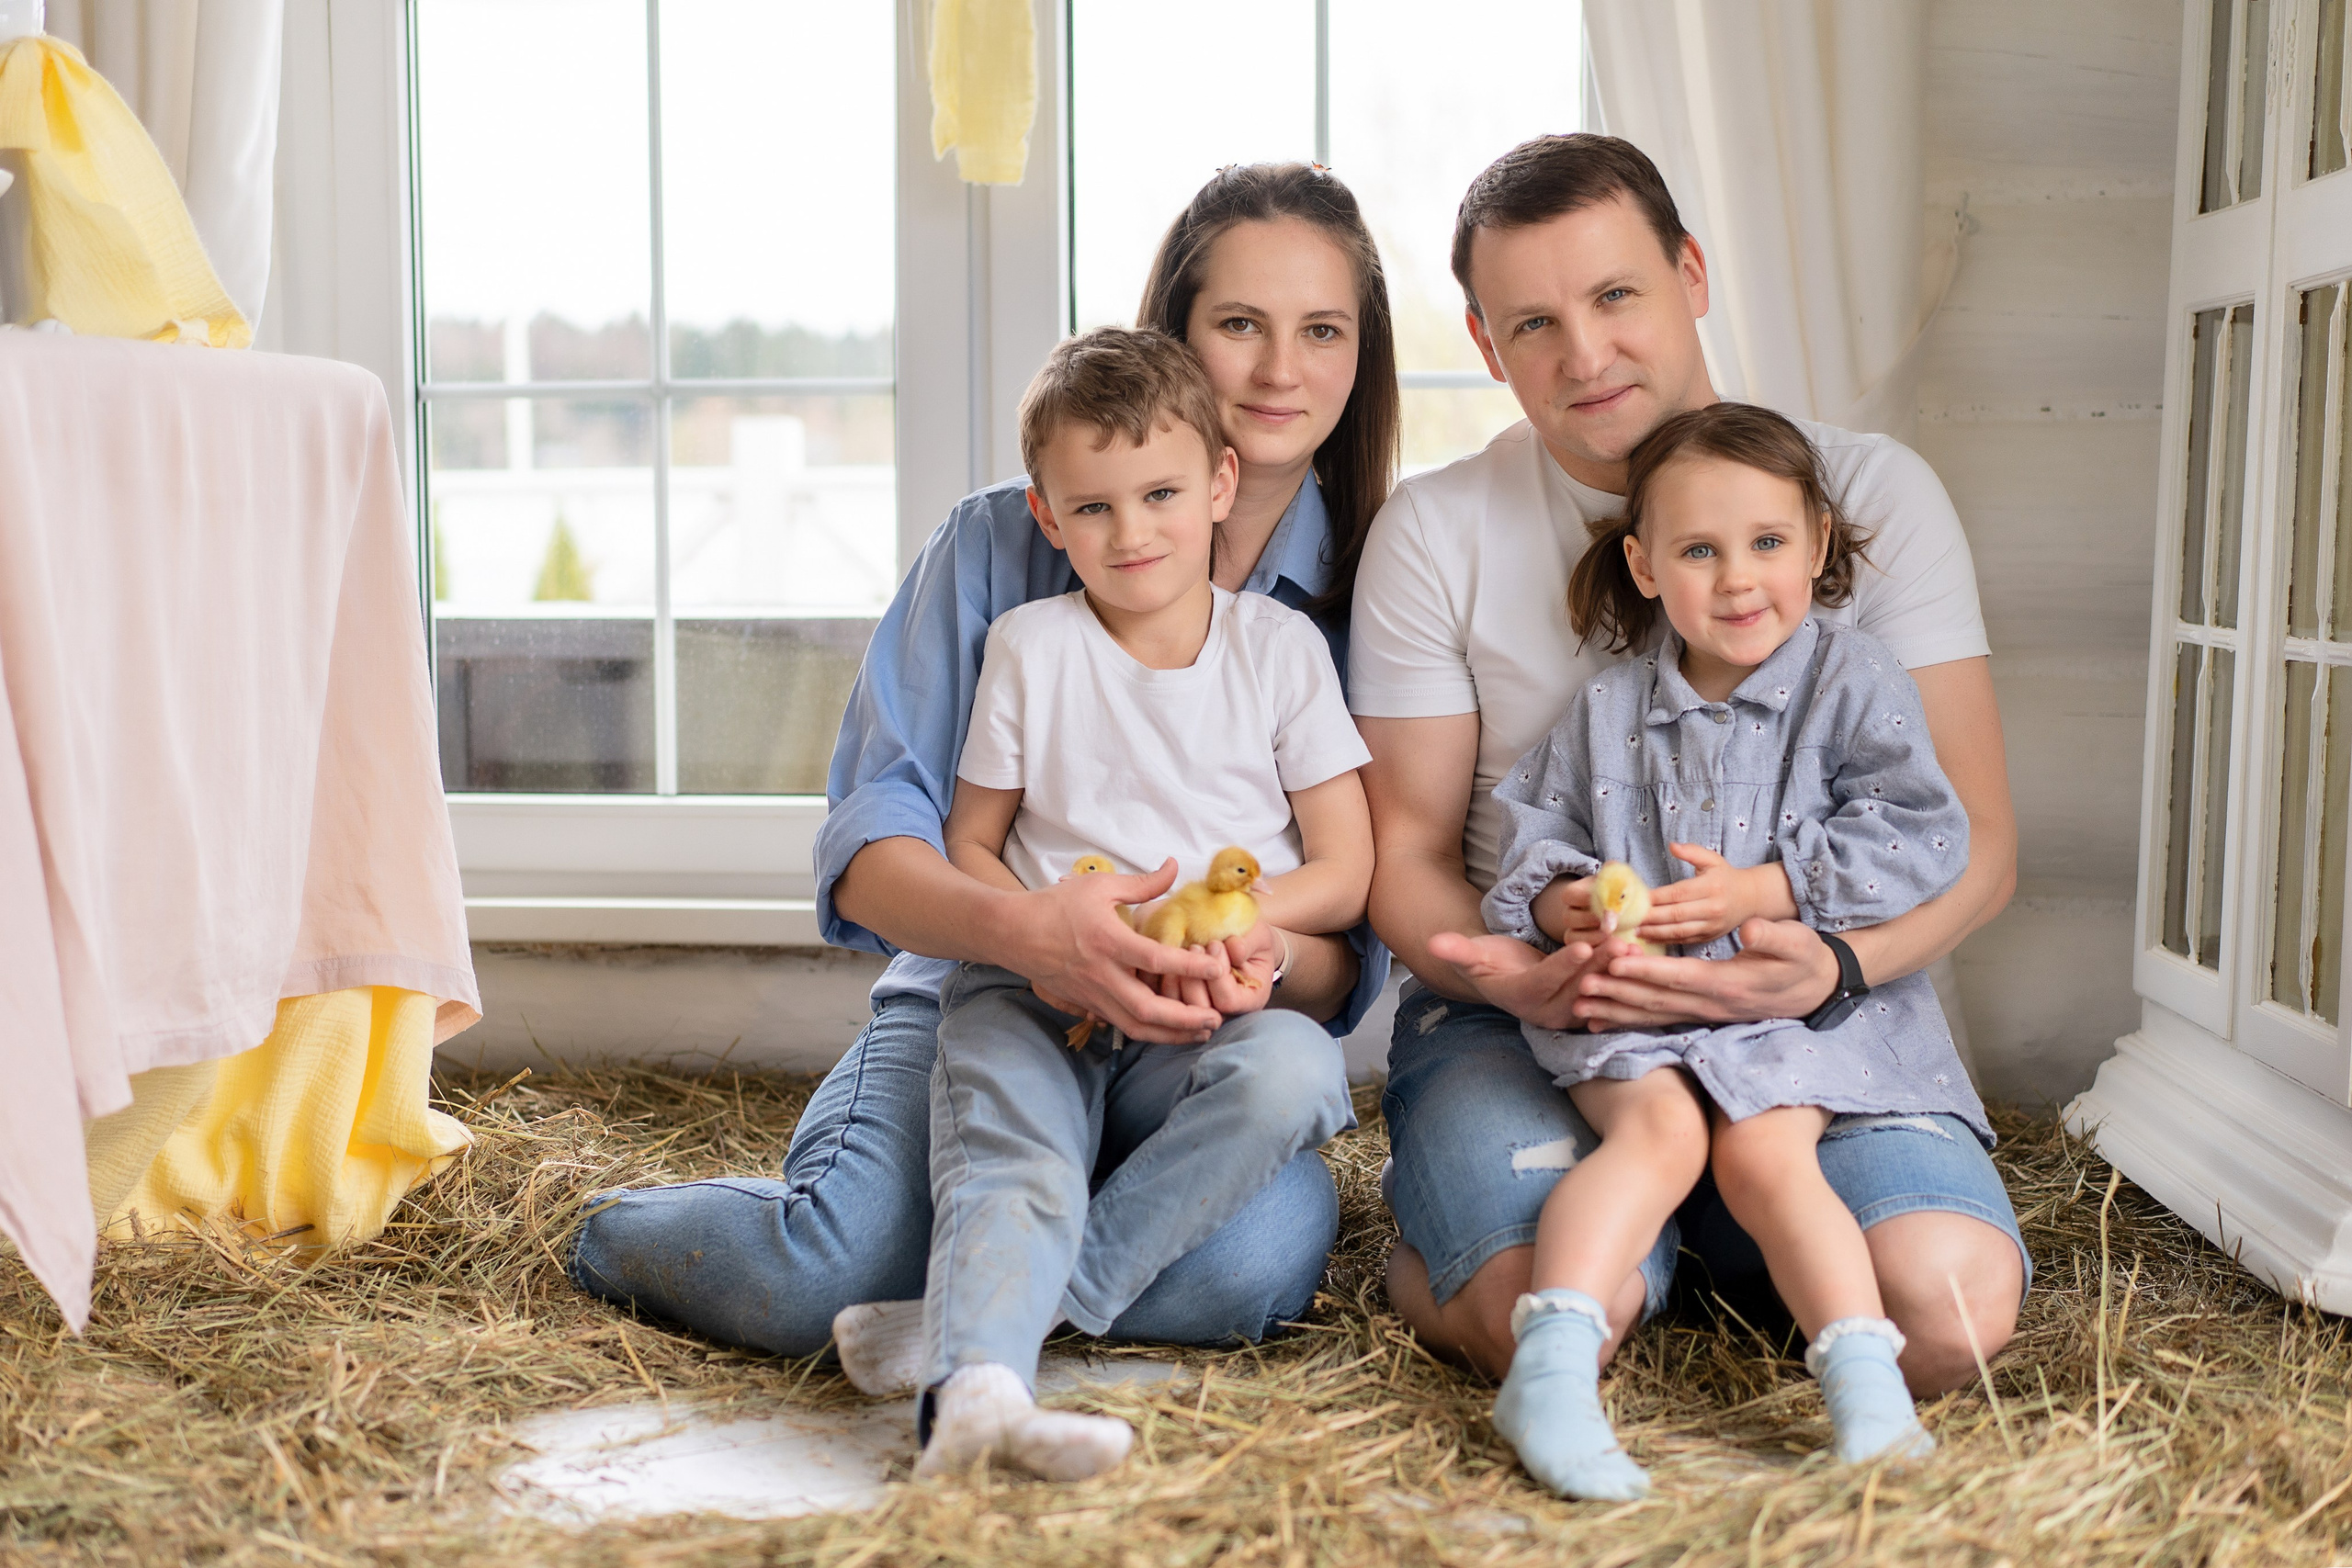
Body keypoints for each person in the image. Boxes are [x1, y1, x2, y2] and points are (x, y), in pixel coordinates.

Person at [566, 164, 1400, 1378]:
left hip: (1207, 1038)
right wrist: (1035, 932)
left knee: (1244, 1273)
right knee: (822, 1274)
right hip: (998, 997)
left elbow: (1348, 933)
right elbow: (875, 841)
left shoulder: (1371, 589)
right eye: (1238, 325)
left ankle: (969, 1316)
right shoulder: (1000, 543)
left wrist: (1243, 951)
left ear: (1359, 352)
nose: (1281, 369)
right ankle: (612, 1232)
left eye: (1321, 329)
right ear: (1171, 335)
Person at [1353, 134, 2029, 1396]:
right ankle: (1503, 1237)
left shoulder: (1870, 493)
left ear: (1693, 272)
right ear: (1488, 347)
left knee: (1946, 1313)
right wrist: (1545, 976)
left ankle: (1718, 1221)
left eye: (1617, 295)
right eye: (1534, 323)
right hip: (1544, 1011)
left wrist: (1835, 960)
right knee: (1532, 1311)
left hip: (1816, 1006)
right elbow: (1407, 853)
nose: (1586, 354)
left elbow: (1975, 838)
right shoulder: (1436, 531)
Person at [1463, 402, 1990, 1498]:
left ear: (1816, 548)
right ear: (1644, 567)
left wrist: (1777, 887)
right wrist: (1563, 905)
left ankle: (1866, 1396)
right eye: (1699, 550)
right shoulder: (1608, 709)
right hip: (1638, 1001)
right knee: (1651, 1139)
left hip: (1781, 1009)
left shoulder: (1853, 683)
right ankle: (1550, 1374)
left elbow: (1920, 827)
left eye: (1767, 544)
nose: (1738, 578)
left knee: (1766, 1153)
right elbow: (1537, 831)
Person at [903, 328, 1369, 1481]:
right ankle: (969, 1406)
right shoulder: (1029, 648)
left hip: (1203, 1007)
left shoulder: (1280, 651)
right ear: (1047, 517)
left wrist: (1256, 937)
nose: (1132, 532)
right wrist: (1049, 941)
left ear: (1219, 484)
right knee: (1021, 1163)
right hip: (1037, 989)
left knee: (1298, 1074)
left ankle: (1025, 1323)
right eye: (1093, 507)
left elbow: (1345, 868)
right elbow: (969, 838)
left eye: (1161, 493)